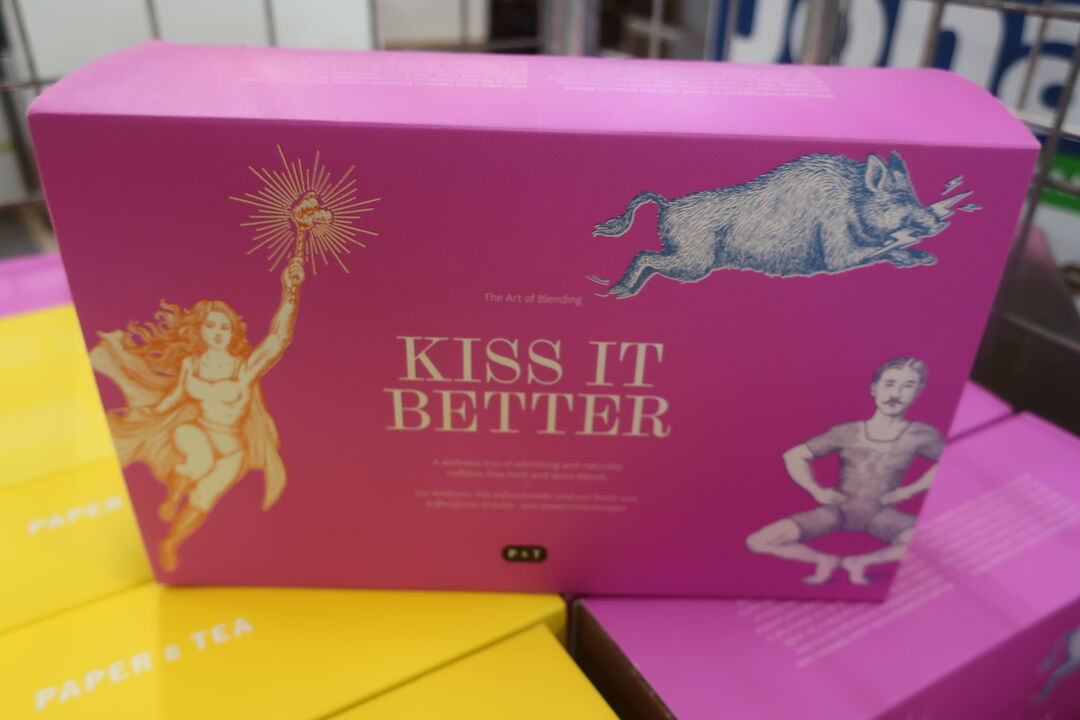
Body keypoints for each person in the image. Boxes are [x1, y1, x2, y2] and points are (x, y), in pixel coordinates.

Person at [90, 257, 305, 571]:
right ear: (201, 329)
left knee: (205, 497)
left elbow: (278, 339)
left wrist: (290, 290)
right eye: (211, 325)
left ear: (233, 331)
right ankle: (171, 498)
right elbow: (177, 396)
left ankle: (171, 543)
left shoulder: (244, 369)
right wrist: (151, 413)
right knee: (199, 459)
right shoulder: (191, 364)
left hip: (233, 449)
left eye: (224, 326)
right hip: (195, 430)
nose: (217, 332)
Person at [746, 357, 943, 585]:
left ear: (917, 392)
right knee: (759, 541)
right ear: (874, 388)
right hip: (837, 509)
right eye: (889, 384)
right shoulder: (847, 431)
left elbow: (944, 460)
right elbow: (793, 455)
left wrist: (908, 491)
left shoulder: (921, 434)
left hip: (880, 513)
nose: (896, 393)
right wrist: (816, 490)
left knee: (929, 543)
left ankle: (860, 562)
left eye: (907, 386)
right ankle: (823, 560)